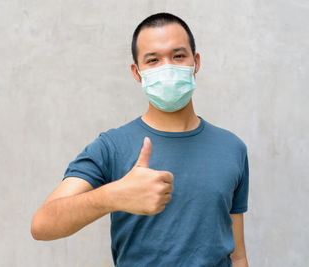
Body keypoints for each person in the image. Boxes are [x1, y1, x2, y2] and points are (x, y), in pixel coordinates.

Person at [31, 12, 249, 267]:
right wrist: (113, 195)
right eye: (153, 60)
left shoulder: (232, 148)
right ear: (137, 72)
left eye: (178, 56)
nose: (167, 67)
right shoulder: (111, 147)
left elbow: (237, 255)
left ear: (196, 62)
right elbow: (42, 224)